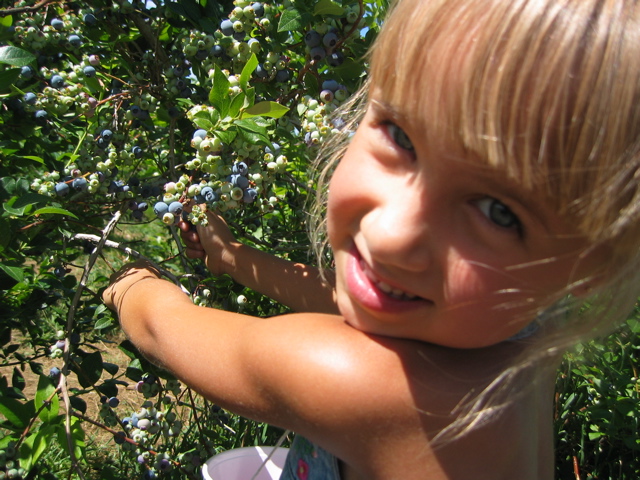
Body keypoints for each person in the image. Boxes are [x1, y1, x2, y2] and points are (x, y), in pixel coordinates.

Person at [103, 0, 640, 478]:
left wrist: (129, 285)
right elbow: (354, 302)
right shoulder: (520, 329)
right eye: (401, 136)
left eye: (499, 212)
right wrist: (232, 258)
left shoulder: (373, 390)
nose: (388, 238)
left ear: (587, 266)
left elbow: (163, 329)